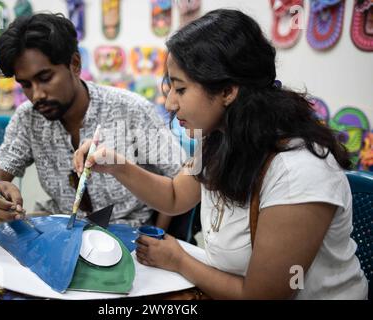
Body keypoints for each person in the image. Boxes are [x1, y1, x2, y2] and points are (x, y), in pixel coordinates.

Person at [73, 9, 369, 299]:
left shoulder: (298, 173)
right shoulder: (220, 138)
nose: (170, 104)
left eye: (180, 89)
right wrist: (115, 165)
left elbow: (262, 296)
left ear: (228, 91)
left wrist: (179, 260)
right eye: (170, 88)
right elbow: (176, 196)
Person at [0, 13, 184, 228]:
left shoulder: (131, 109)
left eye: (45, 78)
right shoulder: (27, 117)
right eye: (26, 85)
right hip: (61, 224)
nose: (37, 94)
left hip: (127, 231)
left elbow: (183, 178)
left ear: (75, 64)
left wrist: (160, 234)